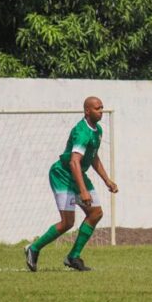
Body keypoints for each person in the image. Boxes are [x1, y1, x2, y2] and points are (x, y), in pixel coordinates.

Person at [24, 97, 118, 272]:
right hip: (63, 175)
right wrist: (83, 191)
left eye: (102, 108)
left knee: (96, 213)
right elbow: (74, 162)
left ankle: (73, 257)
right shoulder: (82, 132)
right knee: (67, 222)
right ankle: (33, 248)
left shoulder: (97, 130)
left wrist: (107, 180)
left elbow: (93, 157)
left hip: (78, 174)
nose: (101, 111)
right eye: (97, 108)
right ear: (87, 111)